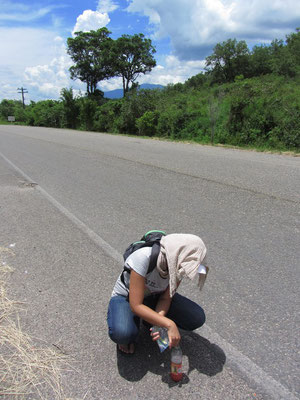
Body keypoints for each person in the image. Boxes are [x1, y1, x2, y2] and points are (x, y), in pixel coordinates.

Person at [107, 233, 208, 354]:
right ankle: (128, 326)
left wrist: (158, 322)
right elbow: (136, 305)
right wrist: (168, 324)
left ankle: (148, 319)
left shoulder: (178, 265)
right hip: (128, 297)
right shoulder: (144, 257)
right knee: (123, 333)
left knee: (196, 317)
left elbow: (165, 298)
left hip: (154, 296)